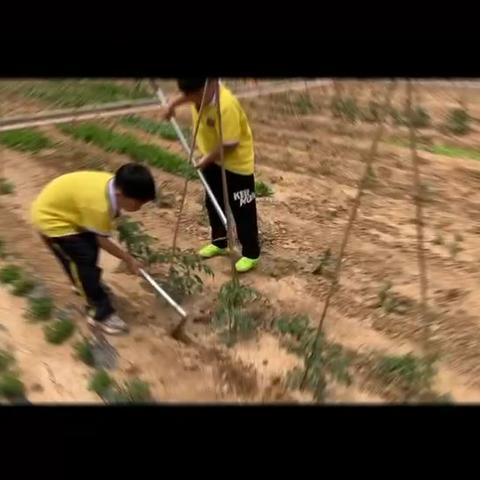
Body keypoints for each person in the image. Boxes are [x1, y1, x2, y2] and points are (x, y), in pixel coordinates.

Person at [30, 163, 156, 335]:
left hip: (68, 214)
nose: (139, 208)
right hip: (52, 221)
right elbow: (102, 240)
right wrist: (129, 259)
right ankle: (100, 313)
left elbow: (101, 229)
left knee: (87, 256)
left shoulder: (112, 185)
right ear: (120, 193)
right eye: (137, 203)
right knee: (84, 259)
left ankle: (84, 285)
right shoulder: (98, 205)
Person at [163, 78, 260, 273]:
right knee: (213, 201)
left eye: (196, 96)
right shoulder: (199, 93)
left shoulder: (226, 105)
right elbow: (188, 95)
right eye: (190, 97)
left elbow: (230, 143)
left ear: (212, 84)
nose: (193, 101)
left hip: (236, 164)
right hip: (212, 158)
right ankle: (220, 242)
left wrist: (206, 159)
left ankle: (251, 254)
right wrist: (172, 105)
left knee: (242, 208)